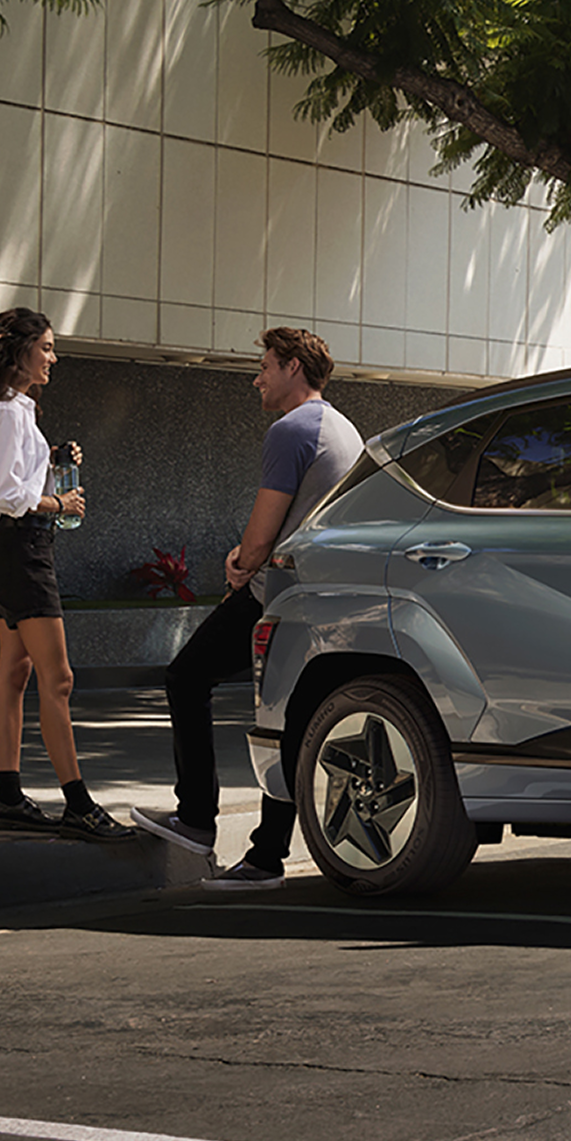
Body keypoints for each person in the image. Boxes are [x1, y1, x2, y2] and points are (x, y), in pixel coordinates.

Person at [131, 327, 364, 888]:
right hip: (324, 595)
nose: (256, 377)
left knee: (186, 676)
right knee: (282, 716)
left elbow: (260, 538)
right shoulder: (342, 428)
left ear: (291, 367)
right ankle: (264, 858)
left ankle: (195, 819)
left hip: (279, 595)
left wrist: (240, 561)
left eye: (264, 365)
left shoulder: (291, 430)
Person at [0, 307, 130, 841]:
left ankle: (9, 799)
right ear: (18, 351)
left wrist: (48, 462)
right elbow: (8, 496)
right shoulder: (5, 412)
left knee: (16, 673)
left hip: (11, 550)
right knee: (59, 679)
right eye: (46, 347)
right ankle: (78, 804)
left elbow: (9, 478)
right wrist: (58, 499)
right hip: (22, 551)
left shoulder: (10, 410)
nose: (53, 357)